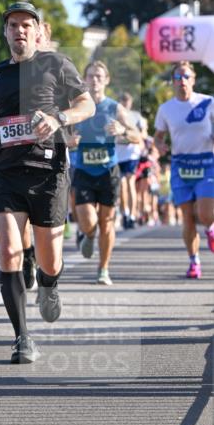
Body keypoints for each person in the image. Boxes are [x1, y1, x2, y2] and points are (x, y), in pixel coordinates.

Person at [0, 1, 95, 364]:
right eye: (13, 25)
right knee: (9, 249)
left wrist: (59, 117)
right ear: (6, 32)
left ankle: (50, 283)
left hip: (49, 173)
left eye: (27, 24)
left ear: (38, 31)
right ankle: (22, 338)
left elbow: (86, 104)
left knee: (50, 259)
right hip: (6, 172)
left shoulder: (56, 64)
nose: (20, 30)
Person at [70, 61, 143, 285]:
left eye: (99, 76)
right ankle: (88, 235)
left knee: (107, 223)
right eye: (91, 76)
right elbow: (62, 135)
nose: (95, 80)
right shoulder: (76, 106)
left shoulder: (115, 108)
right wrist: (69, 141)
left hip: (108, 171)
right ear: (84, 79)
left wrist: (122, 130)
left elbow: (137, 136)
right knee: (89, 222)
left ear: (106, 80)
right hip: (83, 170)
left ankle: (103, 269)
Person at [154, 61, 214, 279]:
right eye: (178, 78)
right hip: (181, 165)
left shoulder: (208, 103)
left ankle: (210, 229)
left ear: (193, 79)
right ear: (172, 82)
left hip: (206, 163)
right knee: (187, 217)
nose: (182, 82)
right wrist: (160, 146)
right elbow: (158, 138)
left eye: (186, 77)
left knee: (206, 214)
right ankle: (194, 261)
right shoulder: (166, 109)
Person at [115, 92, 147, 229]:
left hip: (132, 154)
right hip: (118, 154)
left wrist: (132, 136)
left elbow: (144, 134)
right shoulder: (114, 115)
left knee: (129, 182)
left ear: (131, 102)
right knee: (122, 185)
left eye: (127, 101)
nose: (125, 103)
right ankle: (125, 213)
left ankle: (132, 215)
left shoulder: (136, 116)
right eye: (123, 101)